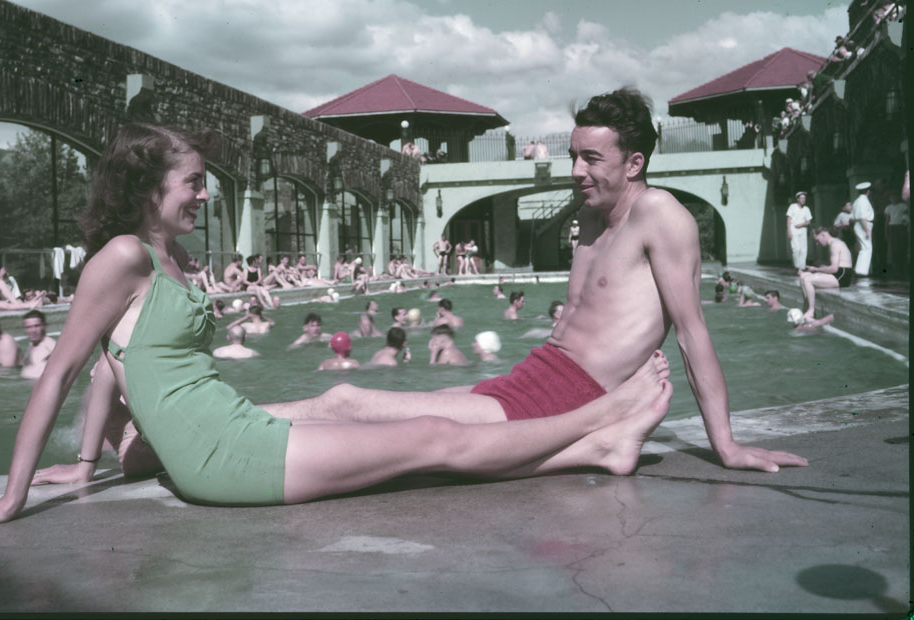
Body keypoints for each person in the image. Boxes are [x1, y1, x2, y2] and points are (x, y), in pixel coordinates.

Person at [0, 122, 678, 529]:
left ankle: (595, 439)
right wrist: (10, 498)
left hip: (226, 429)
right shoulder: (124, 255)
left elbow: (110, 366)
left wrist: (90, 463)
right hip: (224, 456)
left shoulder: (170, 255)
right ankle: (601, 427)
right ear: (148, 185)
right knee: (432, 443)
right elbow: (63, 370)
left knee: (377, 419)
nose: (205, 194)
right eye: (193, 182)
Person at [259, 88, 807, 474]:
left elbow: (692, 334)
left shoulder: (661, 216)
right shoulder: (591, 216)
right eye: (573, 156)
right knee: (355, 409)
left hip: (570, 399)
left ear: (635, 162)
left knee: (351, 404)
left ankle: (201, 434)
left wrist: (727, 445)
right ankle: (205, 431)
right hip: (535, 379)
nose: (575, 171)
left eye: (592, 158)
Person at [798, 226, 853, 321]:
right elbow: (833, 266)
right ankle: (807, 308)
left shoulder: (834, 245)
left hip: (842, 276)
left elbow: (834, 269)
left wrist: (816, 269)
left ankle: (811, 310)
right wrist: (820, 266)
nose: (817, 243)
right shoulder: (835, 243)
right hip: (839, 273)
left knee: (808, 280)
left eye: (817, 240)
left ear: (823, 235)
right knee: (803, 276)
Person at [20, 310, 56, 380]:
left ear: (44, 326)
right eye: (29, 327)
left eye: (37, 326)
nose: (33, 330)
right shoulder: (32, 344)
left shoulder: (51, 346)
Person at [852, 182, 874, 279]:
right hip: (863, 225)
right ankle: (862, 271)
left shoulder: (858, 200)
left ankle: (860, 270)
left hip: (861, 225)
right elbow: (862, 217)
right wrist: (867, 230)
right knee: (867, 248)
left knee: (864, 248)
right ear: (868, 191)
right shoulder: (863, 201)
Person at [883, 191, 909, 275]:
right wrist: (886, 232)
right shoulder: (888, 208)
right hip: (892, 228)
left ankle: (903, 268)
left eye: (895, 197)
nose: (893, 199)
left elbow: (906, 216)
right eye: (891, 197)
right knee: (893, 249)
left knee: (902, 247)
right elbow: (887, 220)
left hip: (901, 227)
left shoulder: (903, 206)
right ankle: (896, 269)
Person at [786, 191, 812, 272]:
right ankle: (797, 267)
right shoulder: (792, 206)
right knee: (796, 249)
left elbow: (808, 222)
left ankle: (802, 267)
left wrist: (801, 225)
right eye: (801, 198)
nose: (803, 200)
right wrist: (789, 231)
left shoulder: (806, 209)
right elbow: (789, 219)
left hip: (803, 230)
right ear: (797, 199)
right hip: (794, 230)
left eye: (804, 198)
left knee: (803, 249)